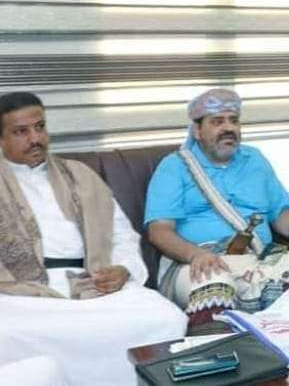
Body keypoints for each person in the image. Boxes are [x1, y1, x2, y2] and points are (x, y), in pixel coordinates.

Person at [0, 91, 187, 386]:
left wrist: (123, 269)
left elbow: (122, 234)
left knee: (166, 317)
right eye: (21, 132)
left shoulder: (80, 175)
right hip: (23, 295)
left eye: (40, 127)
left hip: (92, 283)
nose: (35, 139)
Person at [145, 88, 289, 327]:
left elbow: (281, 211)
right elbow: (159, 231)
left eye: (234, 121)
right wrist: (194, 254)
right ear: (197, 130)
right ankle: (227, 352)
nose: (229, 128)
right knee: (215, 297)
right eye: (217, 122)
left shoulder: (255, 159)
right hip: (200, 259)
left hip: (260, 256)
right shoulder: (174, 167)